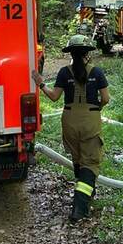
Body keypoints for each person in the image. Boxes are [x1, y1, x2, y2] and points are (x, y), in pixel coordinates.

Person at [32, 34, 110, 221]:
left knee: (78, 159)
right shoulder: (97, 72)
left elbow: (54, 96)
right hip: (90, 119)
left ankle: (86, 191)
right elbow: (105, 98)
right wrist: (96, 108)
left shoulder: (64, 73)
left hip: (69, 120)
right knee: (90, 163)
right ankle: (79, 209)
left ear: (71, 54)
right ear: (87, 54)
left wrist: (41, 83)